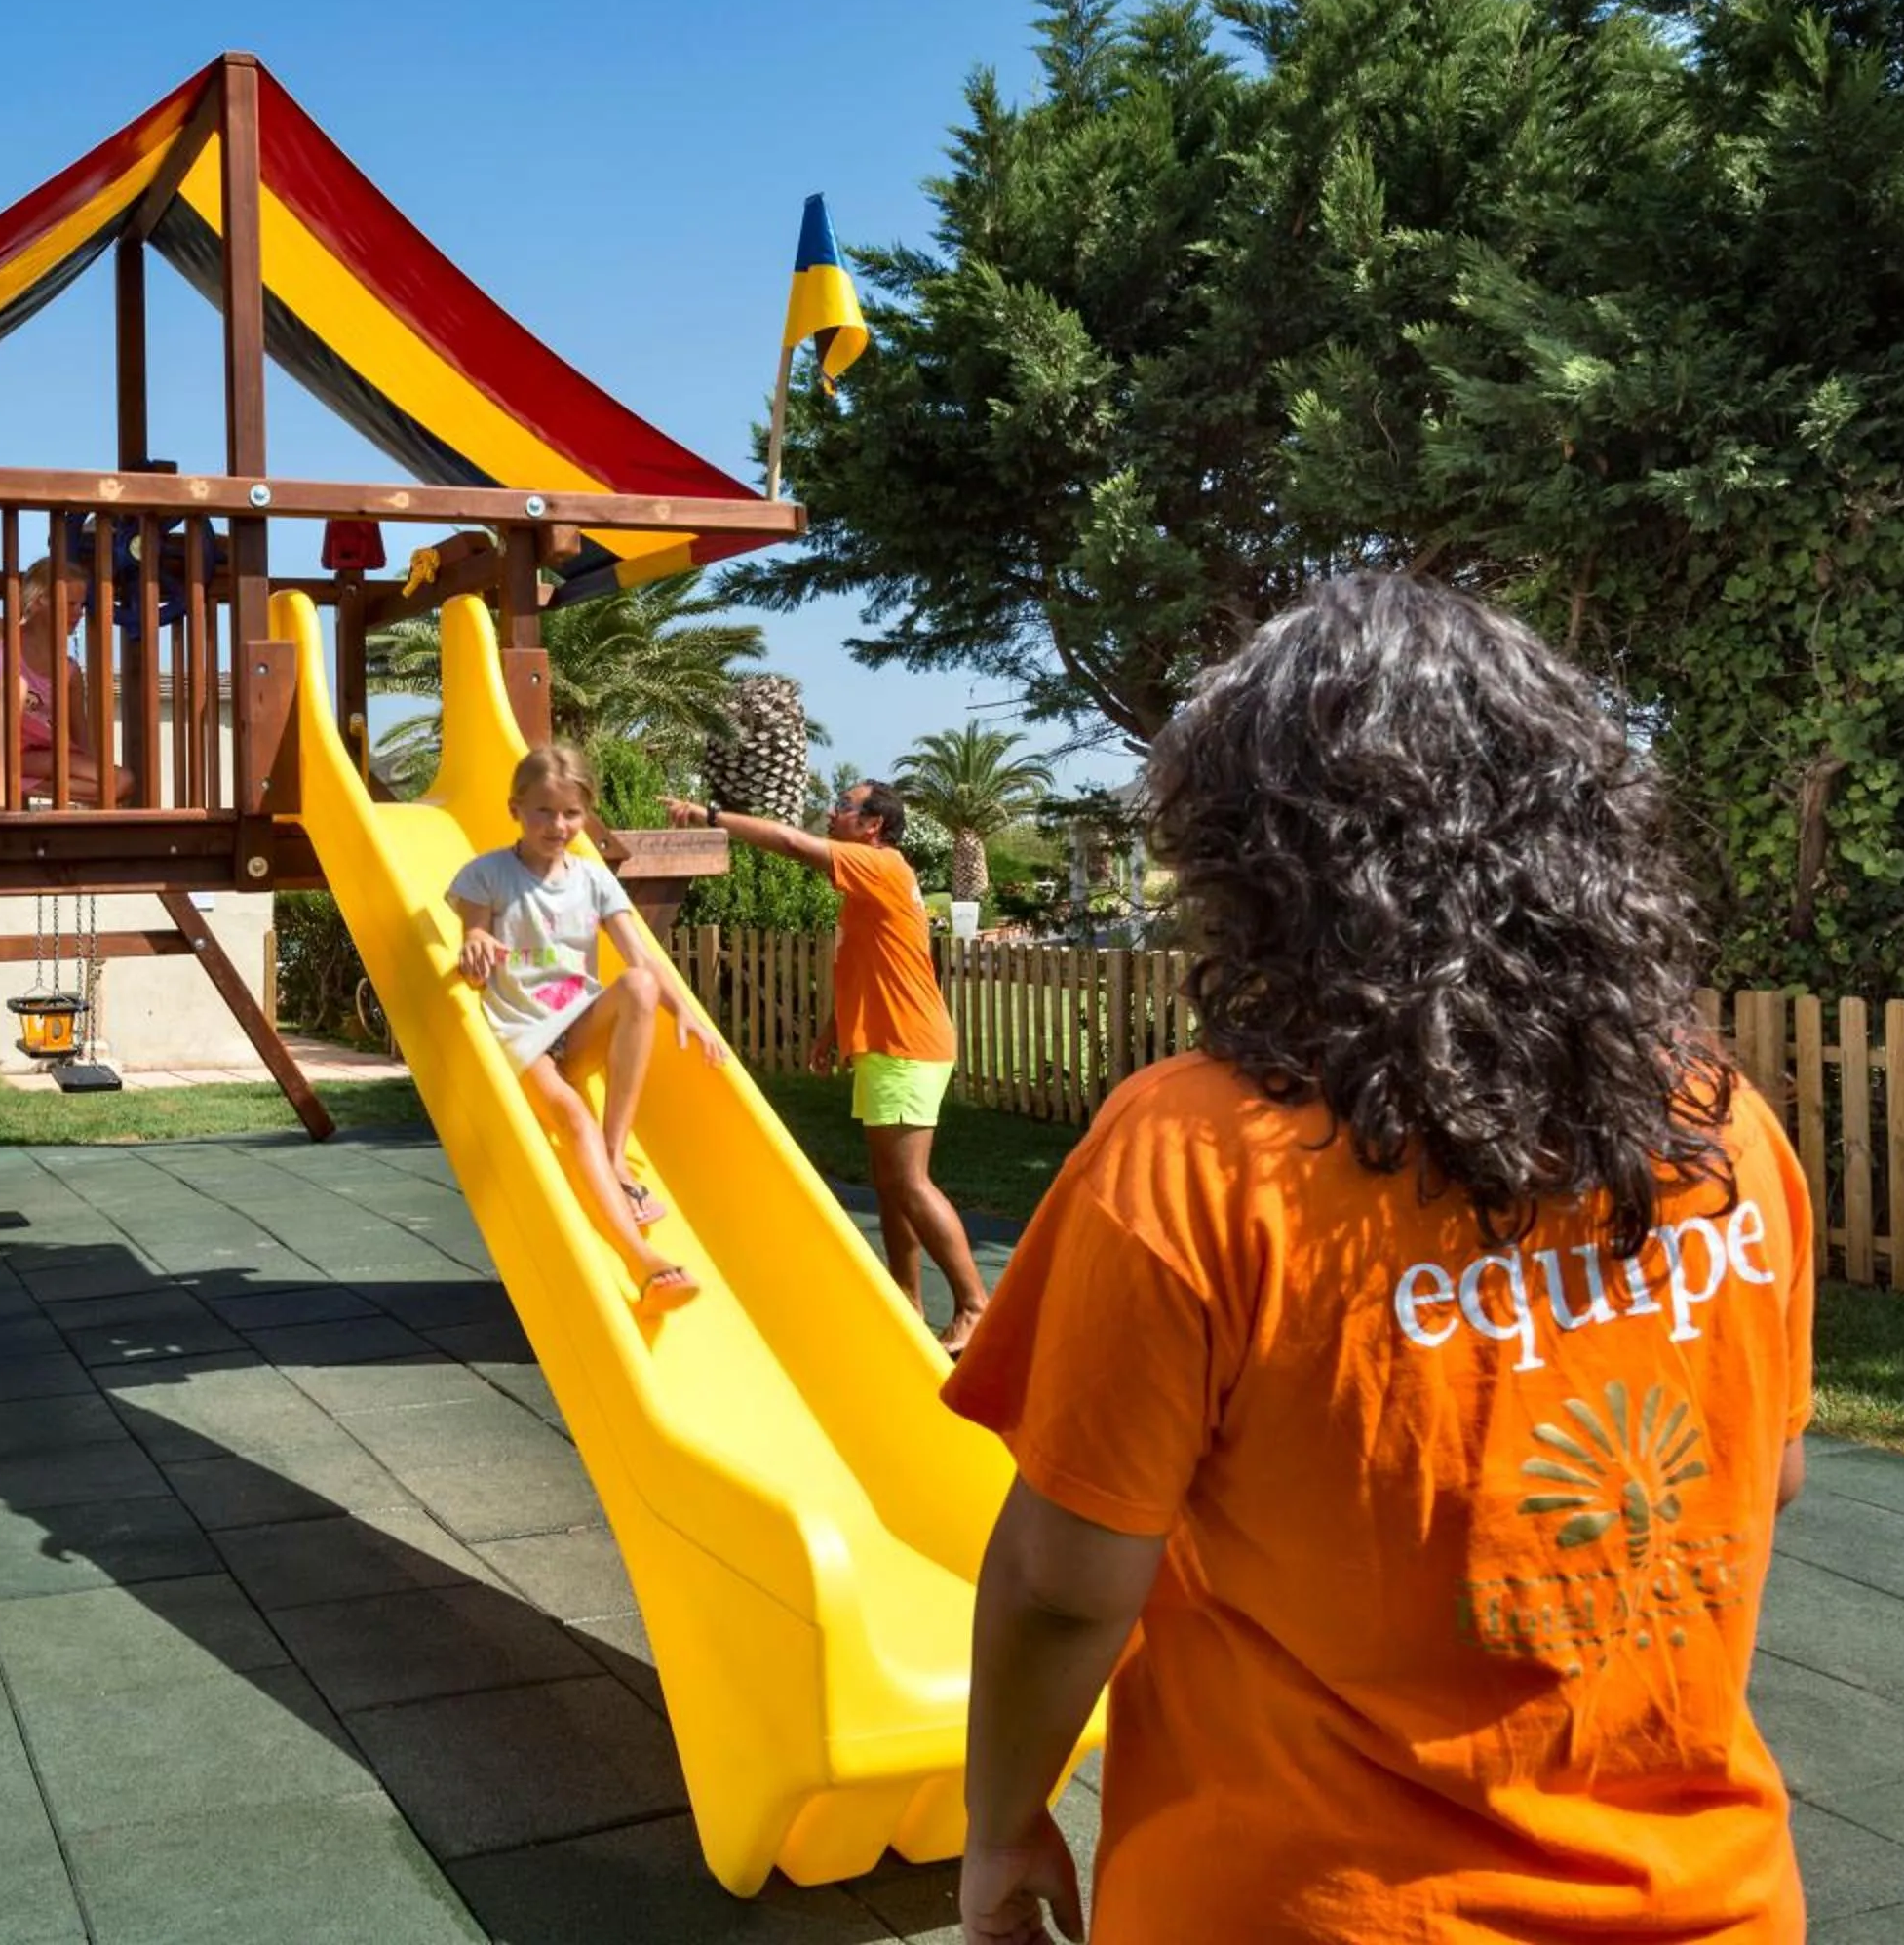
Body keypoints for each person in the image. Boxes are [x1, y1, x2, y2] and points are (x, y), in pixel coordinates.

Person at [941, 574, 1815, 1945]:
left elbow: (1065, 1584)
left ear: (1254, 853)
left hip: (1311, 1906)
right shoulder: (1721, 1130)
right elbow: (1765, 1473)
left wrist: (998, 1826)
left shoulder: (1196, 1154)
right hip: (1712, 1903)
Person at [659, 782, 990, 1350]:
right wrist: (834, 1029)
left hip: (907, 1045)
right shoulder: (875, 877)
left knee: (909, 1182)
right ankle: (905, 1300)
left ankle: (974, 1306)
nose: (832, 812)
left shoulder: (878, 866)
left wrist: (709, 814)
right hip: (888, 1044)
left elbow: (790, 842)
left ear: (873, 825)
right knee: (890, 1185)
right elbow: (875, 961)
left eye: (845, 806)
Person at [452, 743, 723, 1303]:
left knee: (640, 986)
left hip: (577, 1025)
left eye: (571, 814)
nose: (558, 826)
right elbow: (473, 935)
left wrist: (689, 1016)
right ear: (515, 810)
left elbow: (641, 959)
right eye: (543, 812)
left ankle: (616, 1151)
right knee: (573, 1116)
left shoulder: (594, 880)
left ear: (586, 814)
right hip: (522, 1032)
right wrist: (477, 942)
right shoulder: (488, 875)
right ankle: (641, 1261)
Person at [0, 555, 134, 809]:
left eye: (81, 605)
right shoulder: (5, 634)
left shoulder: (68, 671)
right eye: (70, 604)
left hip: (29, 758)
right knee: (18, 685)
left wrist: (93, 783)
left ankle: (20, 784)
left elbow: (81, 743)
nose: (78, 613)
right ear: (39, 601)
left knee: (121, 782)